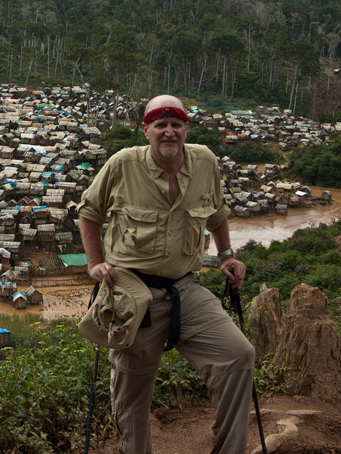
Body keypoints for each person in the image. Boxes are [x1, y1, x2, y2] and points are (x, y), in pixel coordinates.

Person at [78, 94, 255, 454]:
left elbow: (217, 213)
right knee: (132, 399)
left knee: (238, 355)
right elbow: (89, 212)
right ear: (146, 130)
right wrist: (95, 263)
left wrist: (225, 256)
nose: (169, 132)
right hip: (131, 293)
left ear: (186, 128)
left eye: (176, 125)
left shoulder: (205, 162)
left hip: (185, 288)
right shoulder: (123, 164)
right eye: (161, 125)